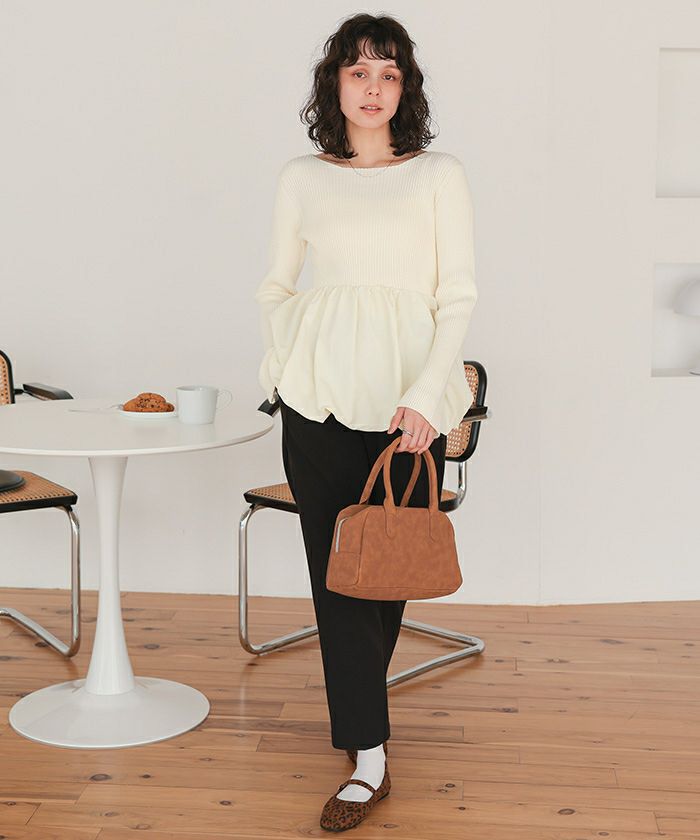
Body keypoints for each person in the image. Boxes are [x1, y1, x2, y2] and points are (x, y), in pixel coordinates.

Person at [254, 12, 478, 832]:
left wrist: (426, 394)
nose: (373, 87)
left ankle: (360, 720)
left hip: (407, 411)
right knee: (337, 579)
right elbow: (277, 286)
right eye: (358, 72)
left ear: (405, 87)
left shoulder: (439, 176)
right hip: (316, 402)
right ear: (335, 84)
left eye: (388, 73)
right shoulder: (301, 178)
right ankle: (370, 757)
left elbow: (457, 296)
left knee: (383, 573)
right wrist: (288, 367)